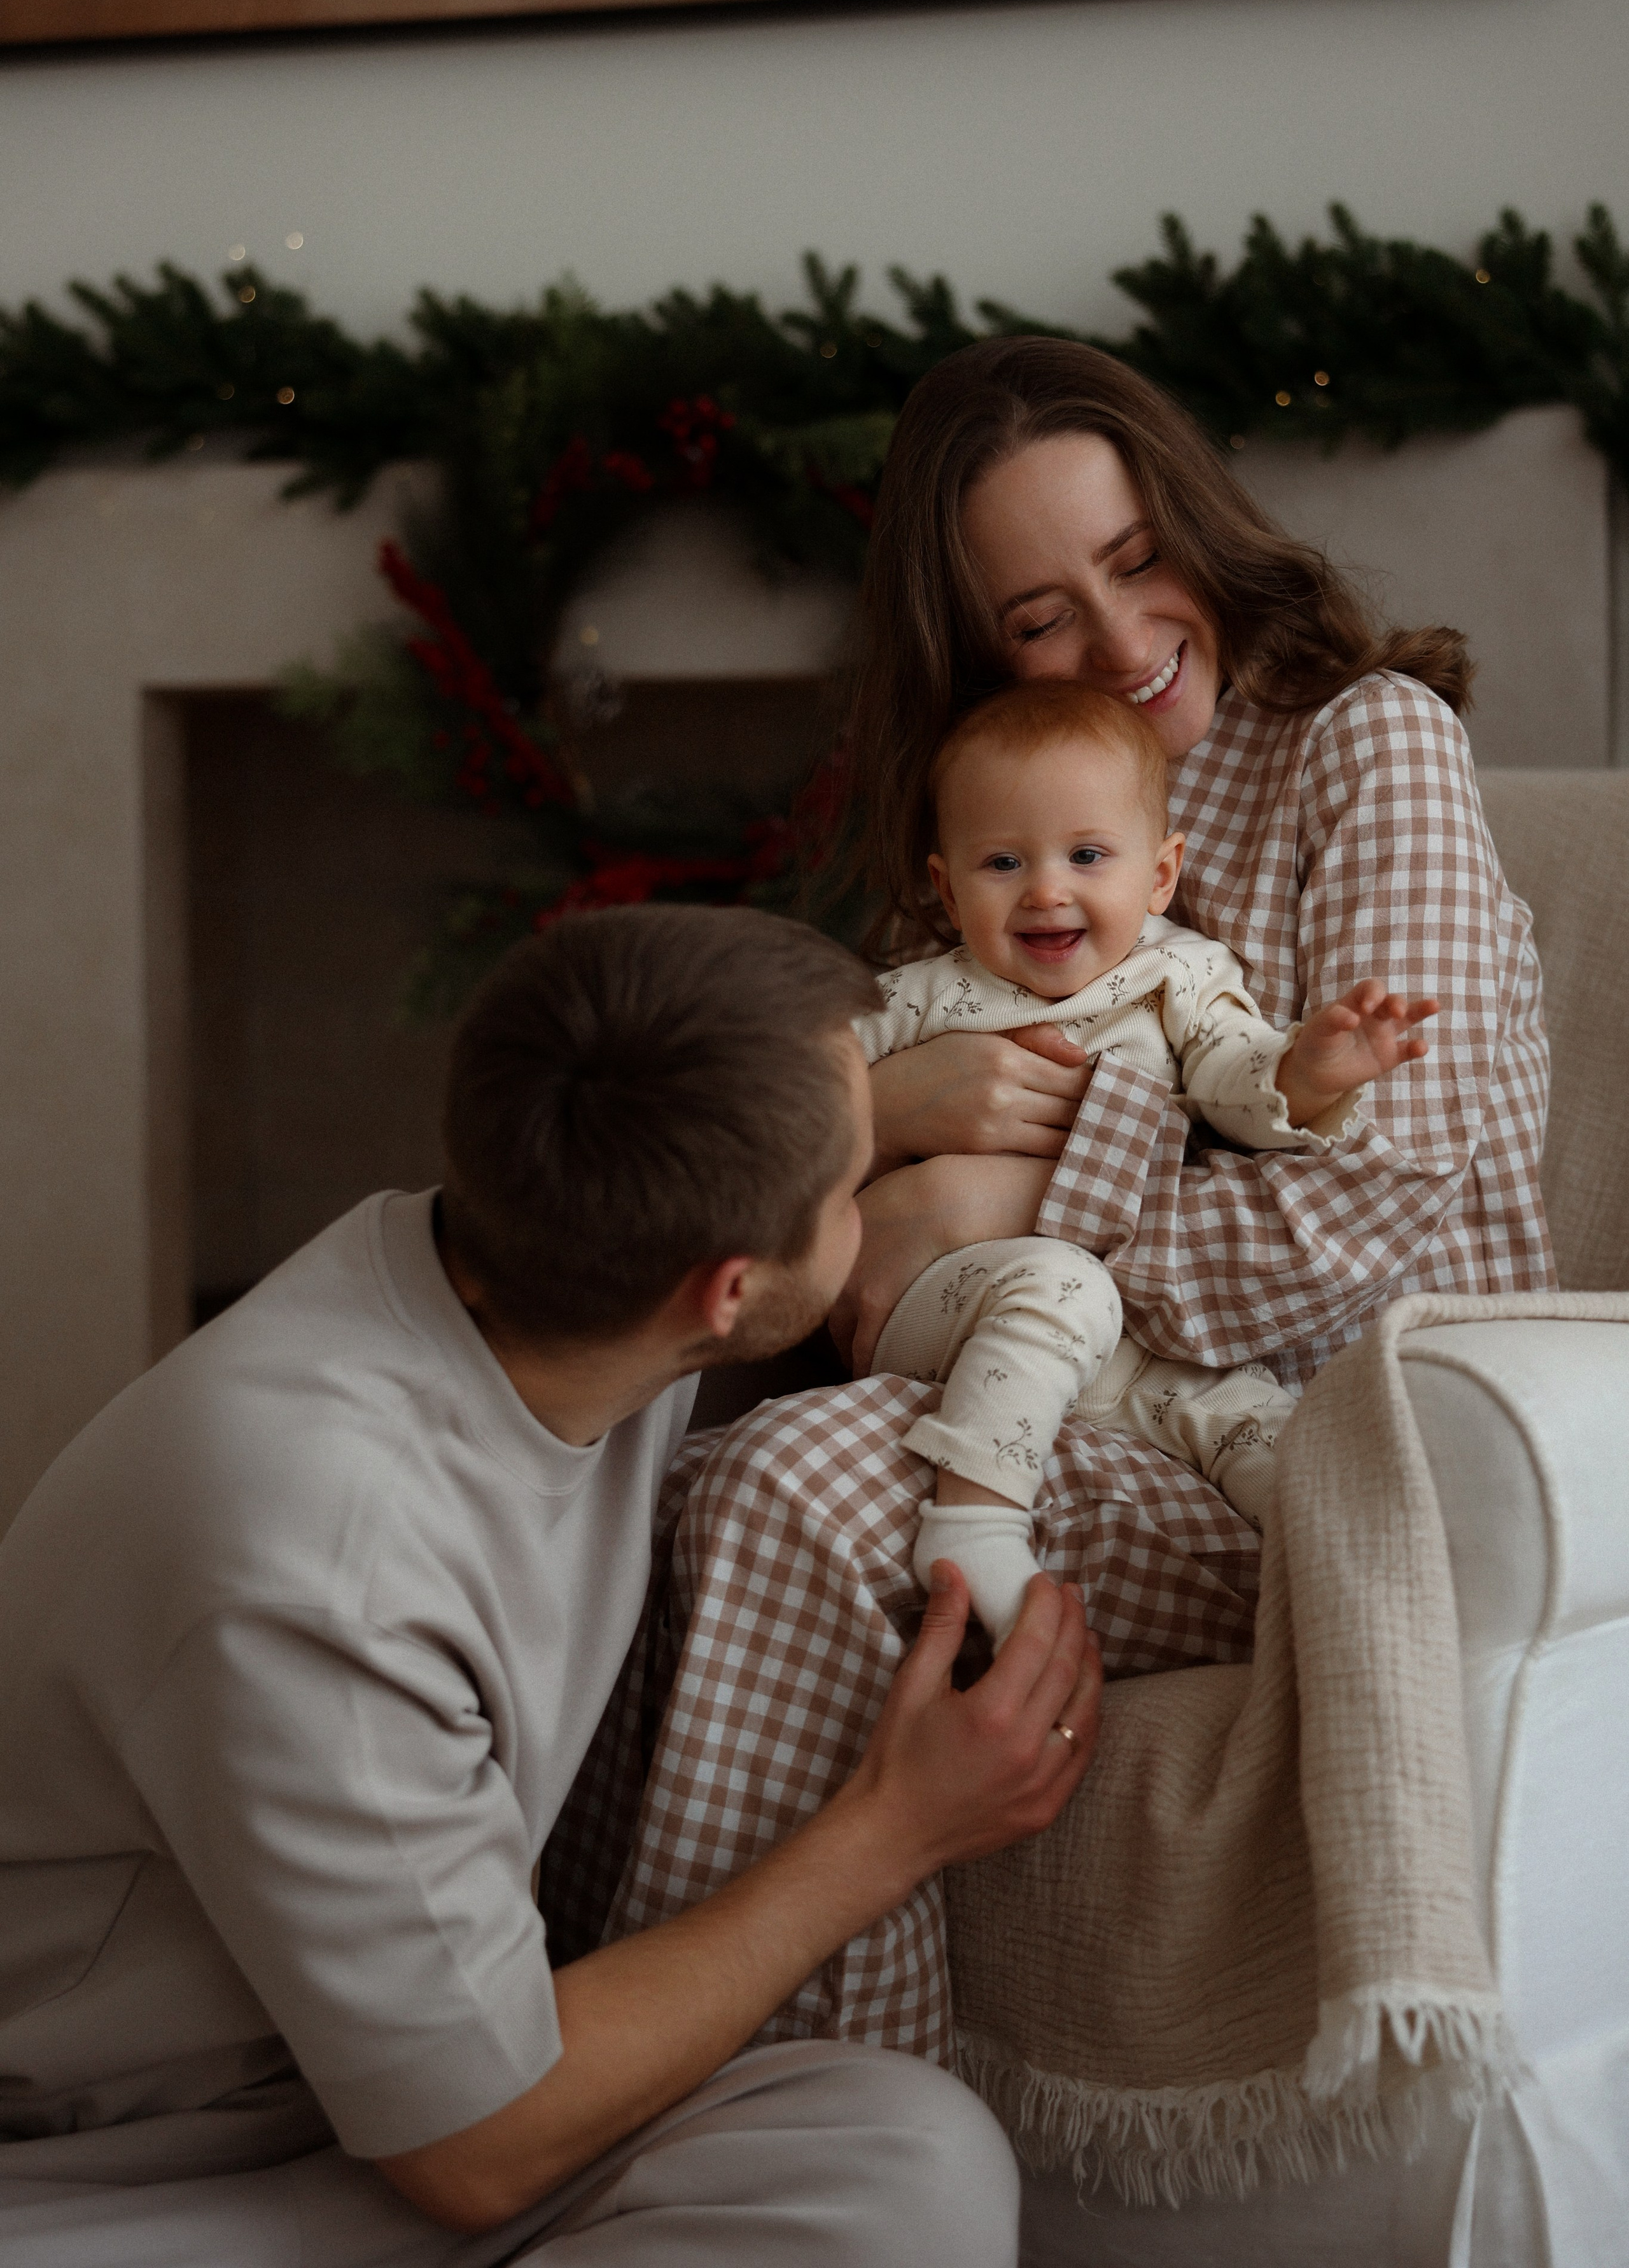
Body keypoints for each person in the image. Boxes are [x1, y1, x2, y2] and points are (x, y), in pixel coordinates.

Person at [591, 334, 1554, 2065]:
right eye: (1041, 618)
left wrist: (980, 1202)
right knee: (667, 1468)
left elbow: (1364, 1209)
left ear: (1201, 524)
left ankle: (747, 2115)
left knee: (801, 1493)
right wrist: (884, 1119)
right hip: (1036, 1405)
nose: (1116, 646)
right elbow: (835, 1208)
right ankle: (595, 2049)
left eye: (1134, 562)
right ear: (979, 652)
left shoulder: (1365, 749)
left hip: (1306, 1437)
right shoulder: (1017, 807)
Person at [0, 904, 1101, 2268]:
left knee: (902, 2154)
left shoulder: (549, 1255)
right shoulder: (312, 1571)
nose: (871, 1193)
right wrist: (897, 1825)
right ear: (725, 1287)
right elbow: (478, 2145)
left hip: (347, 2104)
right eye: (850, 1181)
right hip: (117, 2170)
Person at [856, 676, 1437, 1644]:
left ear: (1160, 876)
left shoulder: (1179, 974)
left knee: (1257, 1418)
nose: (1047, 889)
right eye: (1003, 862)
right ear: (948, 887)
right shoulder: (927, 995)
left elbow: (1233, 1077)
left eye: (1088, 855)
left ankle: (1353, 1600)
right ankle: (972, 1521)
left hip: (1126, 1342)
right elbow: (809, 1075)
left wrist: (1309, 1070)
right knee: (1067, 1285)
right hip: (939, 1299)